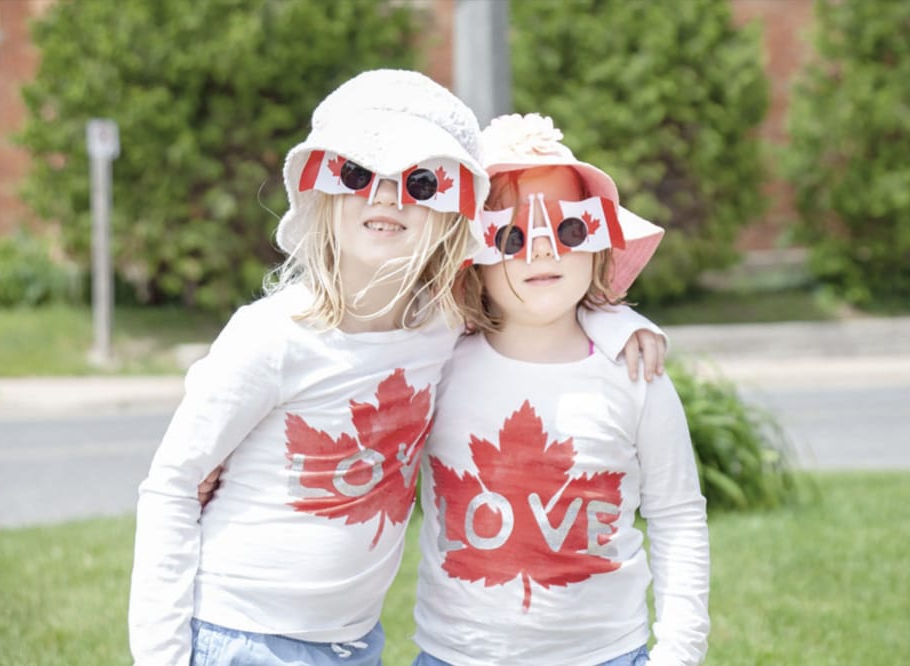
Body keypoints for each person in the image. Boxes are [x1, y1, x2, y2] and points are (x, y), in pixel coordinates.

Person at [130, 72, 665, 666]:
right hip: (242, 634)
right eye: (357, 174)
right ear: (323, 192)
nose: (386, 196)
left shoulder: (439, 327)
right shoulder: (273, 335)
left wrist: (617, 322)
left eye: (418, 181)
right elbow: (172, 486)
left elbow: (538, 303)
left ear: (448, 213)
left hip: (354, 644)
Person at [412, 114, 710, 666]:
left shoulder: (635, 374)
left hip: (607, 655)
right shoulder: (438, 367)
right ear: (472, 259)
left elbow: (677, 514)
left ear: (597, 244)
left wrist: (679, 653)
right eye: (511, 236)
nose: (543, 251)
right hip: (457, 656)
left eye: (570, 230)